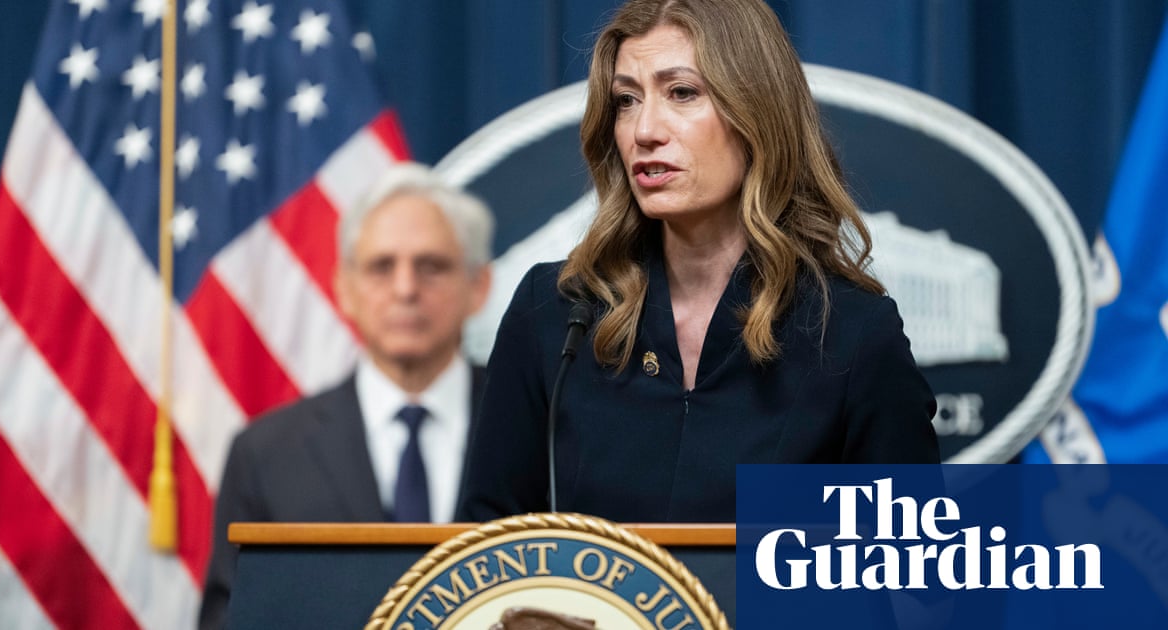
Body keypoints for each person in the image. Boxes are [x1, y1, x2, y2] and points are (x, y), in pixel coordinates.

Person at [457, 0, 939, 525]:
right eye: (626, 100)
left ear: (758, 112)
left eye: (682, 92)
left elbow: (909, 569)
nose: (645, 130)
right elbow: (482, 547)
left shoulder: (852, 334)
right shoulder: (555, 312)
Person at [199, 162, 494, 628]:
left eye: (432, 266)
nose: (405, 289)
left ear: (478, 286)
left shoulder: (540, 432)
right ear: (344, 289)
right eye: (381, 267)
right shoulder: (266, 453)